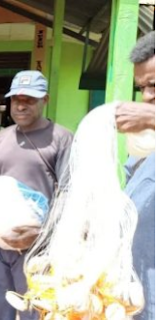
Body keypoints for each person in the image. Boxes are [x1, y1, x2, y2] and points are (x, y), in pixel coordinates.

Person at [0, 70, 73, 320]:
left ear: (45, 100)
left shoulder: (61, 138)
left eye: (29, 99)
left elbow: (69, 193)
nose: (21, 105)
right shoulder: (2, 137)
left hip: (36, 245)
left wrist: (42, 232)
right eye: (16, 99)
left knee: (32, 309)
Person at [115, 31, 155, 320]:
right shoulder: (145, 149)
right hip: (140, 296)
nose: (146, 96)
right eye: (142, 87)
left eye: (154, 85)